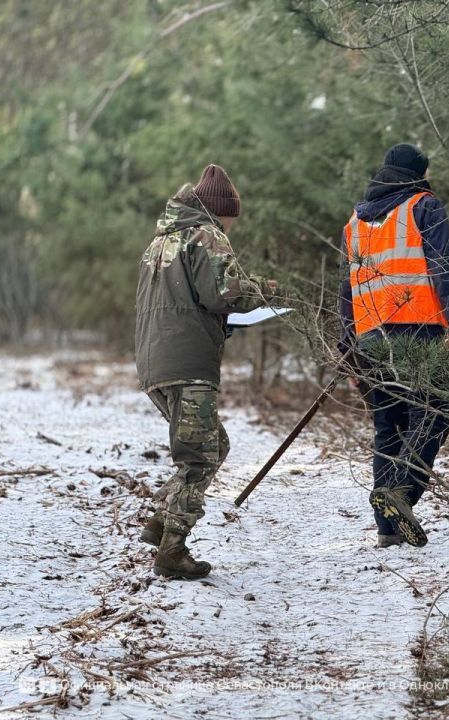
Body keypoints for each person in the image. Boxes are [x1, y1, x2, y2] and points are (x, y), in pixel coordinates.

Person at [135, 164, 276, 579]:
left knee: (215, 446)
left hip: (155, 363)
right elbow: (224, 294)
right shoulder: (206, 235)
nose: (232, 228)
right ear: (221, 212)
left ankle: (160, 521)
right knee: (199, 459)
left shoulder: (159, 243)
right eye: (232, 219)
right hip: (188, 365)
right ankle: (172, 551)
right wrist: (268, 290)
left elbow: (186, 303)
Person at [338, 143, 449, 548]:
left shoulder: (355, 222)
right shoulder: (424, 207)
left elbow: (346, 293)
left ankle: (388, 528)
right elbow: (446, 272)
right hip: (418, 331)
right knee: (435, 414)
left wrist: (348, 353)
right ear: (419, 173)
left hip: (369, 337)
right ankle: (401, 493)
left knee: (389, 426)